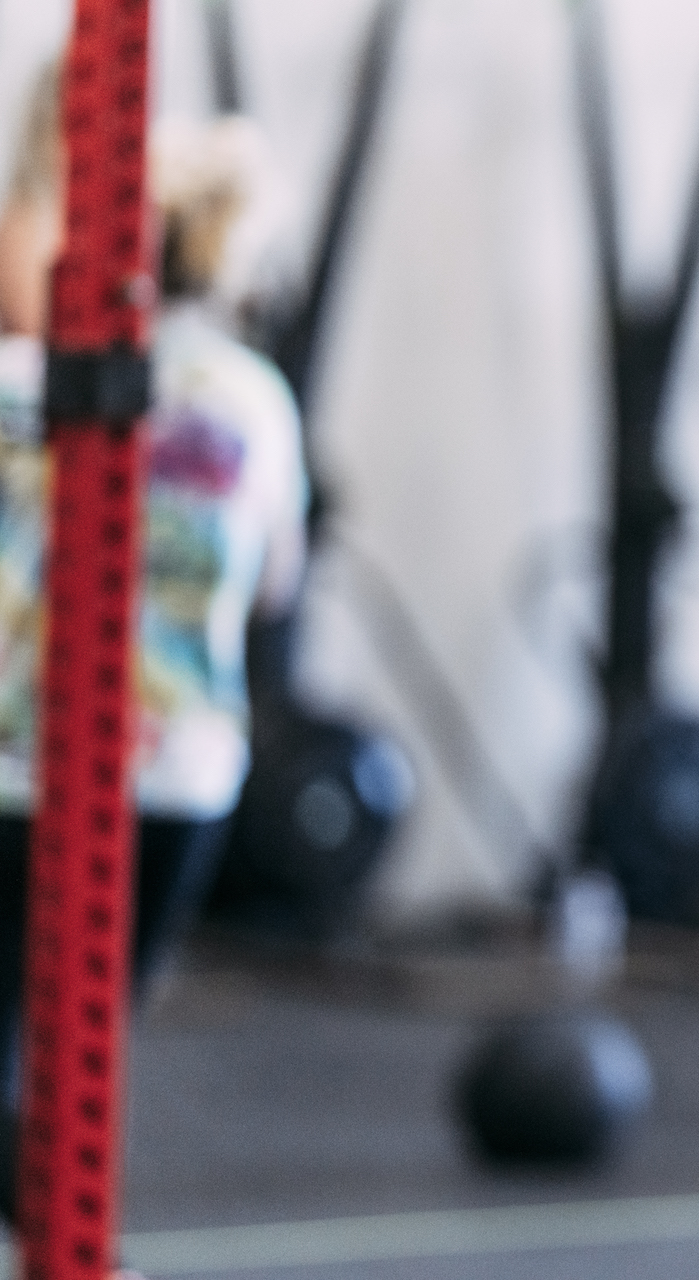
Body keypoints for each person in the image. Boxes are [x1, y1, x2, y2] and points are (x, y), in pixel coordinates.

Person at [0, 62, 306, 1197]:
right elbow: (277, 583)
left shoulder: (20, 383)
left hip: (19, 765)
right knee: (81, 1054)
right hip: (176, 773)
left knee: (18, 1069)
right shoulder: (254, 402)